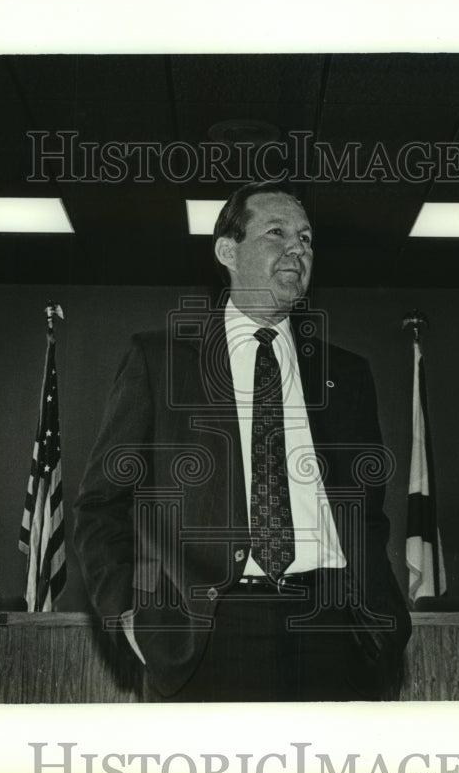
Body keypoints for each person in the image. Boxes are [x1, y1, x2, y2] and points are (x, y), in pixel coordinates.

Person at [73, 182, 411, 701]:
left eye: (306, 238)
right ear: (227, 250)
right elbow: (101, 505)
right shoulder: (161, 361)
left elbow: (366, 512)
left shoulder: (347, 373)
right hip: (207, 630)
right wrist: (133, 617)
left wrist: (382, 615)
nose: (297, 249)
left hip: (333, 627)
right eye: (276, 232)